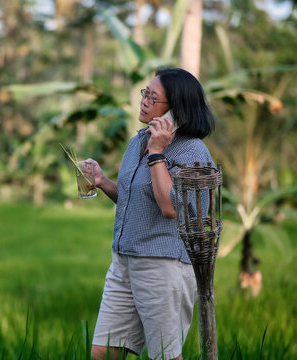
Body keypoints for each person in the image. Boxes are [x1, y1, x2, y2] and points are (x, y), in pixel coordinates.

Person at [86, 68, 215, 360]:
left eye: (152, 98)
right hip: (123, 263)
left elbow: (169, 207)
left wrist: (157, 153)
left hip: (163, 267)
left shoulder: (191, 152)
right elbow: (137, 202)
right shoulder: (138, 142)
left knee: (166, 356)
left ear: (174, 111)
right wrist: (103, 182)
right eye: (145, 93)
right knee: (102, 352)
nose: (143, 101)